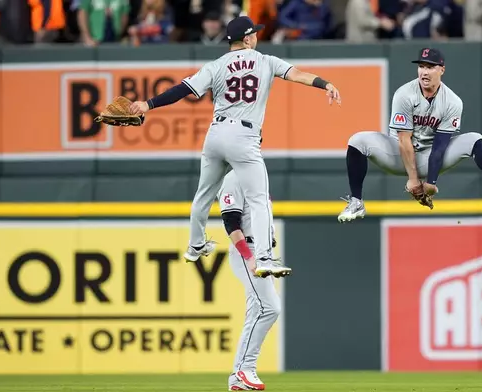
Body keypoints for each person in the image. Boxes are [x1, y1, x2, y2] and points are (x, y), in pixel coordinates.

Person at [129, 16, 341, 277]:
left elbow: (181, 89)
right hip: (244, 136)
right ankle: (264, 257)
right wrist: (325, 84)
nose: (257, 38)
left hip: (216, 133)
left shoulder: (216, 65)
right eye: (255, 34)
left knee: (204, 195)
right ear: (249, 38)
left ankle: (195, 245)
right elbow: (298, 75)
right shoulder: (265, 60)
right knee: (259, 199)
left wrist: (147, 104)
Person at [338, 47, 482, 222]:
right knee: (358, 141)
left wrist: (431, 182)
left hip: (431, 155)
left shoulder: (452, 101)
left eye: (430, 67)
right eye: (421, 66)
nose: (424, 72)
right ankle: (356, 202)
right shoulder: (404, 94)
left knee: (473, 139)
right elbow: (403, 140)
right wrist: (414, 180)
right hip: (399, 155)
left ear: (442, 70)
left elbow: (441, 146)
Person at [208, 169, 285, 391]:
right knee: (270, 308)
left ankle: (237, 378)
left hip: (262, 253)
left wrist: (266, 257)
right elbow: (231, 223)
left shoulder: (257, 176)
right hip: (247, 251)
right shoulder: (233, 178)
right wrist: (250, 257)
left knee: (255, 312)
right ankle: (245, 368)